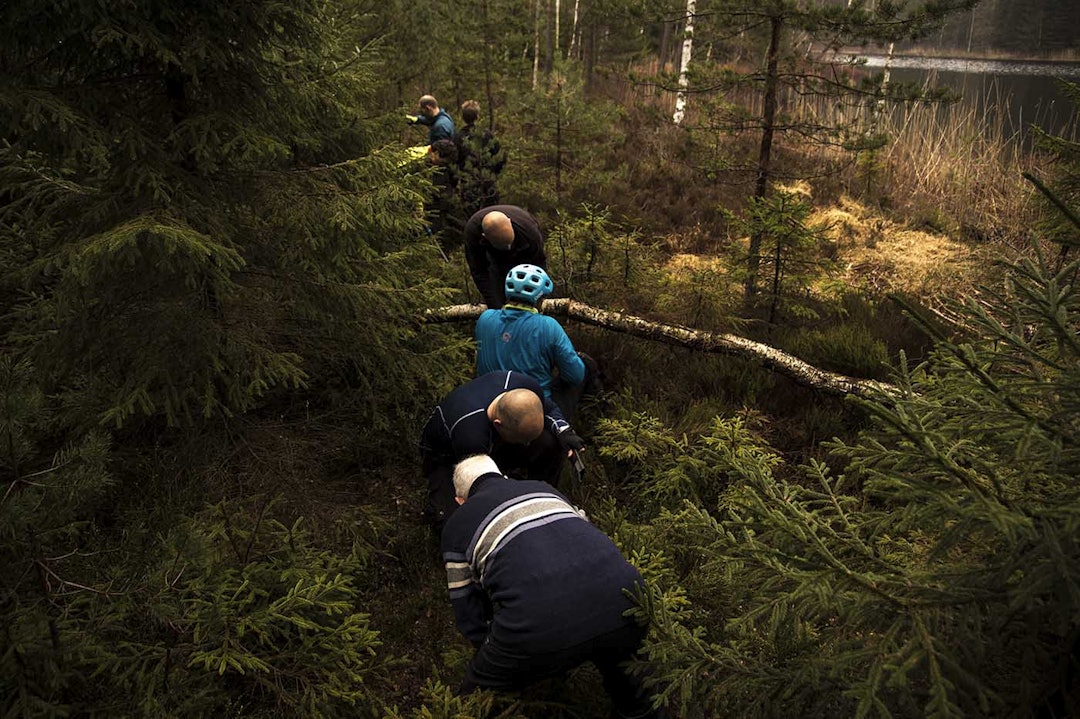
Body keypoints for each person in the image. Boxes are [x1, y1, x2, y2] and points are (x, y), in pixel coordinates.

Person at [442, 455, 664, 719]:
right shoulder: (545, 488)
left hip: (538, 624)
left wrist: (492, 653)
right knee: (631, 681)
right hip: (628, 595)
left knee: (473, 698)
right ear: (501, 475)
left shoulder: (457, 524)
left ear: (460, 501)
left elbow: (468, 611)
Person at [419, 370, 584, 530]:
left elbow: (548, 408)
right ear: (498, 424)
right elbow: (479, 481)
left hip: (492, 440)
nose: (527, 445)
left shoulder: (524, 386)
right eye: (523, 440)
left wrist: (564, 431)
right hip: (448, 458)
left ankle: (542, 496)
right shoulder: (470, 434)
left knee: (549, 443)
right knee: (454, 521)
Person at [476, 264, 597, 420]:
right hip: (534, 410)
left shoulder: (485, 319)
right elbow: (575, 376)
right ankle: (589, 418)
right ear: (540, 298)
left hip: (490, 404)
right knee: (584, 364)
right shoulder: (547, 325)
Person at [463, 205, 547, 309]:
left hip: (522, 249)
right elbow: (479, 272)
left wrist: (538, 298)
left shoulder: (530, 231)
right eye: (504, 246)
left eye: (510, 243)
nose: (509, 247)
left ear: (510, 222)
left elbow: (539, 264)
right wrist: (495, 307)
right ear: (485, 236)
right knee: (497, 281)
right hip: (495, 259)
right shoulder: (473, 234)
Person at [452, 100, 506, 217]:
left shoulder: (458, 137)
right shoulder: (488, 135)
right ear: (478, 116)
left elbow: (454, 162)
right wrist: (494, 174)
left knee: (471, 217)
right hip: (488, 184)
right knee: (491, 217)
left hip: (468, 184)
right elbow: (500, 157)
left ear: (463, 117)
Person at [425, 139, 464, 250]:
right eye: (443, 161)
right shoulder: (415, 160)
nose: (444, 165)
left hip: (440, 201)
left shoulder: (438, 164)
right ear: (435, 153)